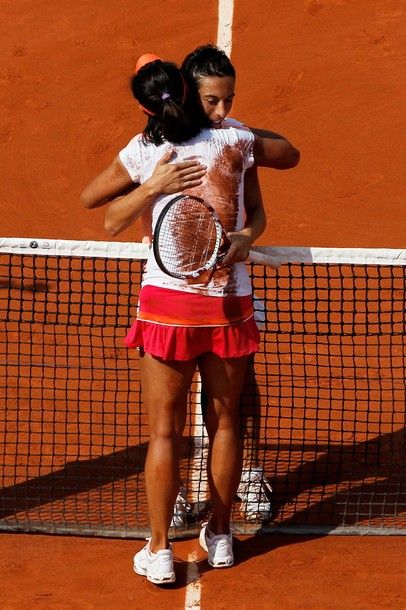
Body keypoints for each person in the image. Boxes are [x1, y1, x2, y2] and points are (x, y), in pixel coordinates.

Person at [81, 56, 269, 585]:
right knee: (226, 422)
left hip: (168, 311)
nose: (223, 108)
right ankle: (221, 533)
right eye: (214, 98)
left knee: (165, 432)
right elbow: (277, 171)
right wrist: (248, 236)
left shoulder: (148, 149)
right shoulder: (236, 140)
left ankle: (163, 548)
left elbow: (104, 212)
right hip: (227, 308)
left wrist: (151, 186)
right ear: (192, 91)